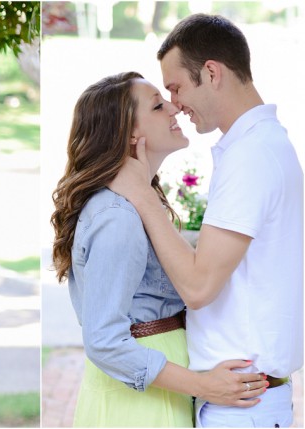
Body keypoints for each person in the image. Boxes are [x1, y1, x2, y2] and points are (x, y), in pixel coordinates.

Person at [109, 14, 303, 428]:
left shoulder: (251, 155)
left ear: (211, 73)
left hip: (241, 404)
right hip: (243, 399)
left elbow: (198, 287)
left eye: (176, 88)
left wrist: (142, 194)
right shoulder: (261, 146)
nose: (175, 103)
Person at [51, 72, 267, 427]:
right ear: (129, 133)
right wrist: (205, 386)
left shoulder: (133, 206)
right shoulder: (117, 217)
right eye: (157, 105)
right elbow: (104, 341)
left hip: (158, 387)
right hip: (140, 404)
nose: (174, 108)